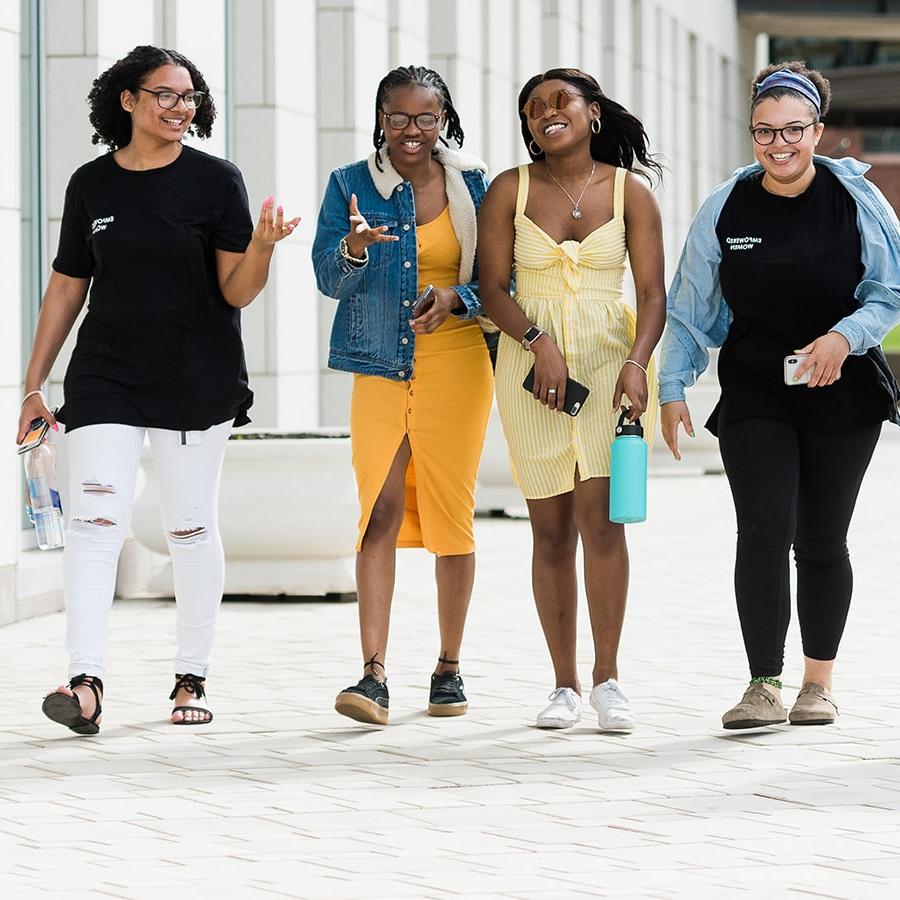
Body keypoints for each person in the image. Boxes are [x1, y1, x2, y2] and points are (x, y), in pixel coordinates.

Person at [19, 45, 298, 734]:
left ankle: (189, 676)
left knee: (188, 524)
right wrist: (33, 385)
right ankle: (85, 684)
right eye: (166, 95)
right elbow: (66, 286)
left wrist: (262, 246)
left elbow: (237, 290)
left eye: (189, 97)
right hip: (106, 375)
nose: (181, 108)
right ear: (128, 101)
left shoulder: (215, 182)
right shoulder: (92, 185)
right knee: (94, 525)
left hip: (194, 376)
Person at [659, 61, 900, 729]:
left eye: (793, 129)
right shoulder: (726, 206)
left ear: (818, 131)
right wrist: (672, 384)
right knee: (762, 530)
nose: (779, 144)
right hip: (757, 386)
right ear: (752, 135)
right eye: (764, 132)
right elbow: (690, 305)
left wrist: (843, 339)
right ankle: (763, 684)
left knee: (822, 541)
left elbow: (890, 291)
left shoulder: (856, 201)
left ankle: (816, 684)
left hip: (841, 391)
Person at [477, 68, 666, 732]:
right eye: (532, 110)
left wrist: (639, 365)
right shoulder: (510, 188)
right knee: (550, 531)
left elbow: (651, 296)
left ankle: (609, 680)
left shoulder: (629, 193)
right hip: (532, 373)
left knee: (603, 524)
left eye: (560, 103)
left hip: (610, 367)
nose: (545, 114)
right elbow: (491, 287)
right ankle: (563, 685)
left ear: (592, 113)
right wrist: (537, 342)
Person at [312, 65, 493, 726]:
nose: (411, 131)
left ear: (444, 118)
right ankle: (373, 675)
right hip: (378, 364)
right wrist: (355, 250)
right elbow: (328, 277)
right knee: (378, 514)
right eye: (398, 117)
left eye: (425, 117)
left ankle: (448, 668)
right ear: (380, 116)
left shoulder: (475, 184)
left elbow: (501, 280)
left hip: (458, 364)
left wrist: (457, 299)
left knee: (453, 514)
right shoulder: (349, 185)